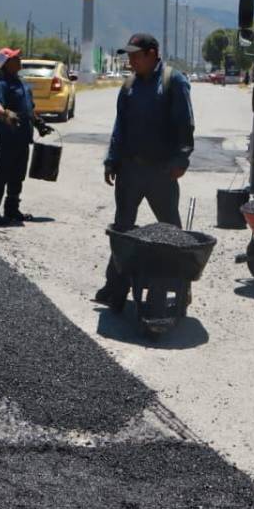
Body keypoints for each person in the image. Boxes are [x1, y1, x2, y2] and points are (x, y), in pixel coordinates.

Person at [93, 33, 194, 311]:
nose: (131, 61)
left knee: (170, 230)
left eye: (136, 56)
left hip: (162, 172)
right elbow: (120, 127)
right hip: (130, 171)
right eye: (129, 56)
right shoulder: (129, 85)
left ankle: (181, 287)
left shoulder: (173, 81)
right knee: (122, 230)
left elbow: (185, 124)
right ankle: (115, 287)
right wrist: (112, 160)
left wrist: (181, 159)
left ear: (152, 54)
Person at [0, 48, 51, 226]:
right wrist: (5, 114)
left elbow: (29, 108)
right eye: (15, 57)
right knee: (1, 173)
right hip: (7, 137)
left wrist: (38, 123)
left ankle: (11, 209)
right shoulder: (2, 84)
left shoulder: (21, 83)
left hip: (22, 137)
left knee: (18, 174)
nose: (19, 59)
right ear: (6, 64)